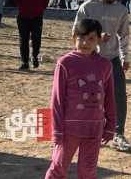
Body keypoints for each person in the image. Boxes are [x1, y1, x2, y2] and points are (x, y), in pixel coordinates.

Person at [44, 19, 116, 179]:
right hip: (68, 129)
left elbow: (110, 98)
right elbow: (57, 100)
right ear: (73, 37)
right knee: (58, 169)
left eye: (91, 38)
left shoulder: (105, 65)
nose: (85, 42)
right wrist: (56, 130)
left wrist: (110, 125)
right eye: (81, 37)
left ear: (99, 39)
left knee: (88, 172)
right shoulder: (65, 63)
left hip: (94, 129)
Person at [73, 0, 131, 152]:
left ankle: (118, 134)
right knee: (87, 96)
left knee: (119, 96)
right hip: (89, 59)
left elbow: (124, 36)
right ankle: (83, 130)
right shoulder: (87, 7)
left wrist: (125, 58)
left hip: (112, 59)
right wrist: (96, 39)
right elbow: (75, 34)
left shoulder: (121, 10)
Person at [13, 0, 50, 71]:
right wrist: (21, 7)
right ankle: (24, 62)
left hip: (36, 17)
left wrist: (40, 9)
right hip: (23, 16)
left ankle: (34, 57)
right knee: (23, 39)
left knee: (36, 39)